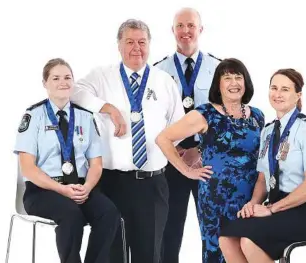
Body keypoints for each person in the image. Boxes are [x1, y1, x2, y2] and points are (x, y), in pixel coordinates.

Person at [70, 19, 184, 263]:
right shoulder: (102, 76)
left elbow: (179, 126)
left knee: (150, 254)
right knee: (113, 253)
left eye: (142, 42)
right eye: (130, 42)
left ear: (150, 45)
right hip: (112, 182)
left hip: (152, 184)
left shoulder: (163, 81)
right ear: (119, 45)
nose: (136, 48)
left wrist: (164, 149)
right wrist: (107, 107)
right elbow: (74, 92)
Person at [156, 58, 265, 263]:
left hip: (250, 199)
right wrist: (187, 171)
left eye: (238, 77)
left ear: (246, 82)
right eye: (227, 78)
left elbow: (262, 158)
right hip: (216, 202)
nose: (234, 83)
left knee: (249, 252)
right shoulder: (205, 113)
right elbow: (163, 138)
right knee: (217, 254)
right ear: (218, 84)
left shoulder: (257, 116)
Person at [218, 68, 306, 262]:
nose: (278, 94)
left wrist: (270, 209)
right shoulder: (268, 131)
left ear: (298, 95)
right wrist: (253, 204)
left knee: (249, 240)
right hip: (277, 207)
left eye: (285, 89)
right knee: (227, 237)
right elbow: (263, 177)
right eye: (274, 88)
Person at [14, 58, 120, 263]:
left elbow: (96, 164)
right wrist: (61, 189)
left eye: (67, 77)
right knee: (71, 215)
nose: (63, 82)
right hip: (43, 190)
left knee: (109, 213)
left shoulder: (85, 117)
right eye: (55, 78)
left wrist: (87, 187)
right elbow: (27, 168)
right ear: (45, 83)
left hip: (80, 188)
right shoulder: (33, 115)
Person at [153, 7, 221, 263]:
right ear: (173, 31)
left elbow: (224, 117)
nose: (186, 31)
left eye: (191, 25)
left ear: (200, 29)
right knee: (169, 230)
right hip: (173, 161)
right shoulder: (158, 71)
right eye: (180, 26)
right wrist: (176, 151)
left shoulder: (218, 68)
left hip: (207, 162)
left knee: (213, 229)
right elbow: (153, 118)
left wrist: (200, 149)